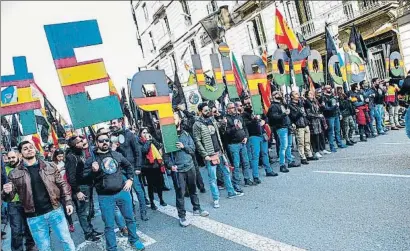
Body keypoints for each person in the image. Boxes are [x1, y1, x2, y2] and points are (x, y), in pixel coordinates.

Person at [2, 141, 75, 251]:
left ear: (35, 150)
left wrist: (68, 201)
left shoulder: (50, 166)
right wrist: (6, 192)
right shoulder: (14, 174)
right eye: (25, 148)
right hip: (34, 217)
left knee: (66, 241)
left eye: (31, 147)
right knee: (44, 248)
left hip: (55, 211)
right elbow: (9, 198)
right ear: (20, 154)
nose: (29, 149)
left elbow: (62, 184)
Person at [82, 132, 145, 251]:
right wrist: (92, 171)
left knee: (130, 219)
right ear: (96, 143)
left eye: (106, 140)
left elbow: (128, 167)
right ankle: (112, 248)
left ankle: (134, 240)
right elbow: (85, 178)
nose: (104, 142)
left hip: (122, 192)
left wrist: (130, 180)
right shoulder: (91, 160)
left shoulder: (116, 154)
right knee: (109, 225)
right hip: (105, 197)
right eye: (101, 140)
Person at [193, 103, 243, 209]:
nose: (208, 112)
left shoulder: (212, 120)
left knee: (226, 172)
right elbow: (197, 141)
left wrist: (223, 123)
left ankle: (231, 192)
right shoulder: (197, 124)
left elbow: (220, 132)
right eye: (206, 110)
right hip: (210, 155)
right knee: (212, 178)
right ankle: (216, 199)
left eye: (208, 110)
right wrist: (204, 154)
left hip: (219, 151)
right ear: (200, 111)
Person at [164, 112, 209, 227]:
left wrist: (184, 147)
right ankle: (182, 216)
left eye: (175, 119)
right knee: (180, 194)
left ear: (179, 119)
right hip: (178, 170)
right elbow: (166, 156)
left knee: (193, 189)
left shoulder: (186, 134)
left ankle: (197, 208)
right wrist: (170, 166)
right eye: (171, 119)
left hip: (190, 166)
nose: (173, 121)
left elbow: (193, 149)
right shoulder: (168, 137)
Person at [110, 118, 148, 221]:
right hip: (121, 170)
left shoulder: (129, 134)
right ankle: (133, 214)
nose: (113, 125)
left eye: (114, 123)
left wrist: (138, 167)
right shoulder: (112, 137)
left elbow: (137, 151)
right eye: (111, 123)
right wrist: (113, 149)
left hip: (132, 168)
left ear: (120, 123)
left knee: (138, 191)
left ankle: (143, 212)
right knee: (127, 193)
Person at [65, 136, 101, 241]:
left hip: (87, 185)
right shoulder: (71, 157)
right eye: (80, 141)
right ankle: (88, 233)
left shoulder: (79, 153)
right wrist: (77, 191)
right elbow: (71, 177)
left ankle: (90, 229)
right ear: (75, 145)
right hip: (80, 188)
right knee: (83, 212)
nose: (82, 142)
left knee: (89, 210)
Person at [5, 150, 37, 251]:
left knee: (30, 228)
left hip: (27, 202)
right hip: (13, 204)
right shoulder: (5, 170)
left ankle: (31, 248)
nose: (11, 160)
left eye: (13, 157)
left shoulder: (26, 167)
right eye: (9, 158)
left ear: (19, 156)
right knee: (16, 232)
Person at [242, 96, 278, 182]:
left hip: (262, 134)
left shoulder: (258, 109)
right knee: (256, 156)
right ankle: (255, 176)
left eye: (249, 103)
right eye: (246, 104)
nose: (248, 105)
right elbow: (246, 124)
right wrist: (254, 120)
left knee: (265, 153)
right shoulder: (244, 114)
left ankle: (268, 170)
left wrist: (264, 121)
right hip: (253, 136)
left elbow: (266, 117)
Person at [267, 91, 300, 173]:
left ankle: (290, 161)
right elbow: (274, 117)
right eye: (277, 93)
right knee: (284, 146)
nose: (280, 94)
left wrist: (290, 122)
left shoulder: (282, 104)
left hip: (287, 126)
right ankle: (282, 164)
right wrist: (284, 114)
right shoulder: (273, 106)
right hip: (281, 127)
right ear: (273, 96)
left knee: (289, 145)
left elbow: (287, 115)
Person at [223, 102, 251, 192]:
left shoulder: (239, 116)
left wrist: (246, 137)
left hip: (242, 143)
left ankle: (247, 179)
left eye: (234, 107)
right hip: (233, 144)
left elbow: (245, 128)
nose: (233, 109)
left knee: (246, 162)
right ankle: (236, 184)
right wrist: (235, 127)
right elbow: (226, 133)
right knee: (236, 164)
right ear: (227, 109)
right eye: (231, 108)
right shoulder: (226, 119)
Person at [138, 128, 167, 210]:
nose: (145, 134)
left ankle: (161, 199)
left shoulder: (150, 139)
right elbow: (144, 150)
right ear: (140, 134)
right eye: (143, 132)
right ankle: (152, 202)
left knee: (159, 184)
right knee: (150, 186)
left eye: (146, 132)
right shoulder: (139, 142)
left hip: (156, 165)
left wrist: (152, 139)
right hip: (147, 167)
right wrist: (148, 141)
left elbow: (158, 146)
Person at [289, 91, 318, 165]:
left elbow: (310, 105)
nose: (297, 95)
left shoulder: (301, 103)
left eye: (298, 94)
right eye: (296, 94)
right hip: (299, 125)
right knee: (301, 142)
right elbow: (293, 116)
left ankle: (309, 154)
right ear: (292, 96)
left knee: (307, 141)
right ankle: (303, 157)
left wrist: (304, 99)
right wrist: (300, 112)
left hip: (305, 123)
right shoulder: (290, 105)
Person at [52, 149, 75, 233]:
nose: (61, 158)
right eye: (59, 156)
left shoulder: (65, 163)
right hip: (59, 190)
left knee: (69, 205)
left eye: (62, 156)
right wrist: (58, 171)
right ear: (55, 156)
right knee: (63, 208)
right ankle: (68, 224)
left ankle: (71, 223)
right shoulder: (52, 165)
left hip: (68, 186)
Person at [320, 85, 347, 152]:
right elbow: (325, 108)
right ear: (325, 89)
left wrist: (339, 113)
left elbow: (337, 106)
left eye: (330, 88)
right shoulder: (323, 97)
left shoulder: (333, 96)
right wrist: (333, 107)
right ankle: (332, 146)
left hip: (336, 115)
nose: (329, 89)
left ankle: (339, 143)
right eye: (328, 88)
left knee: (337, 130)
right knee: (330, 132)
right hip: (329, 116)